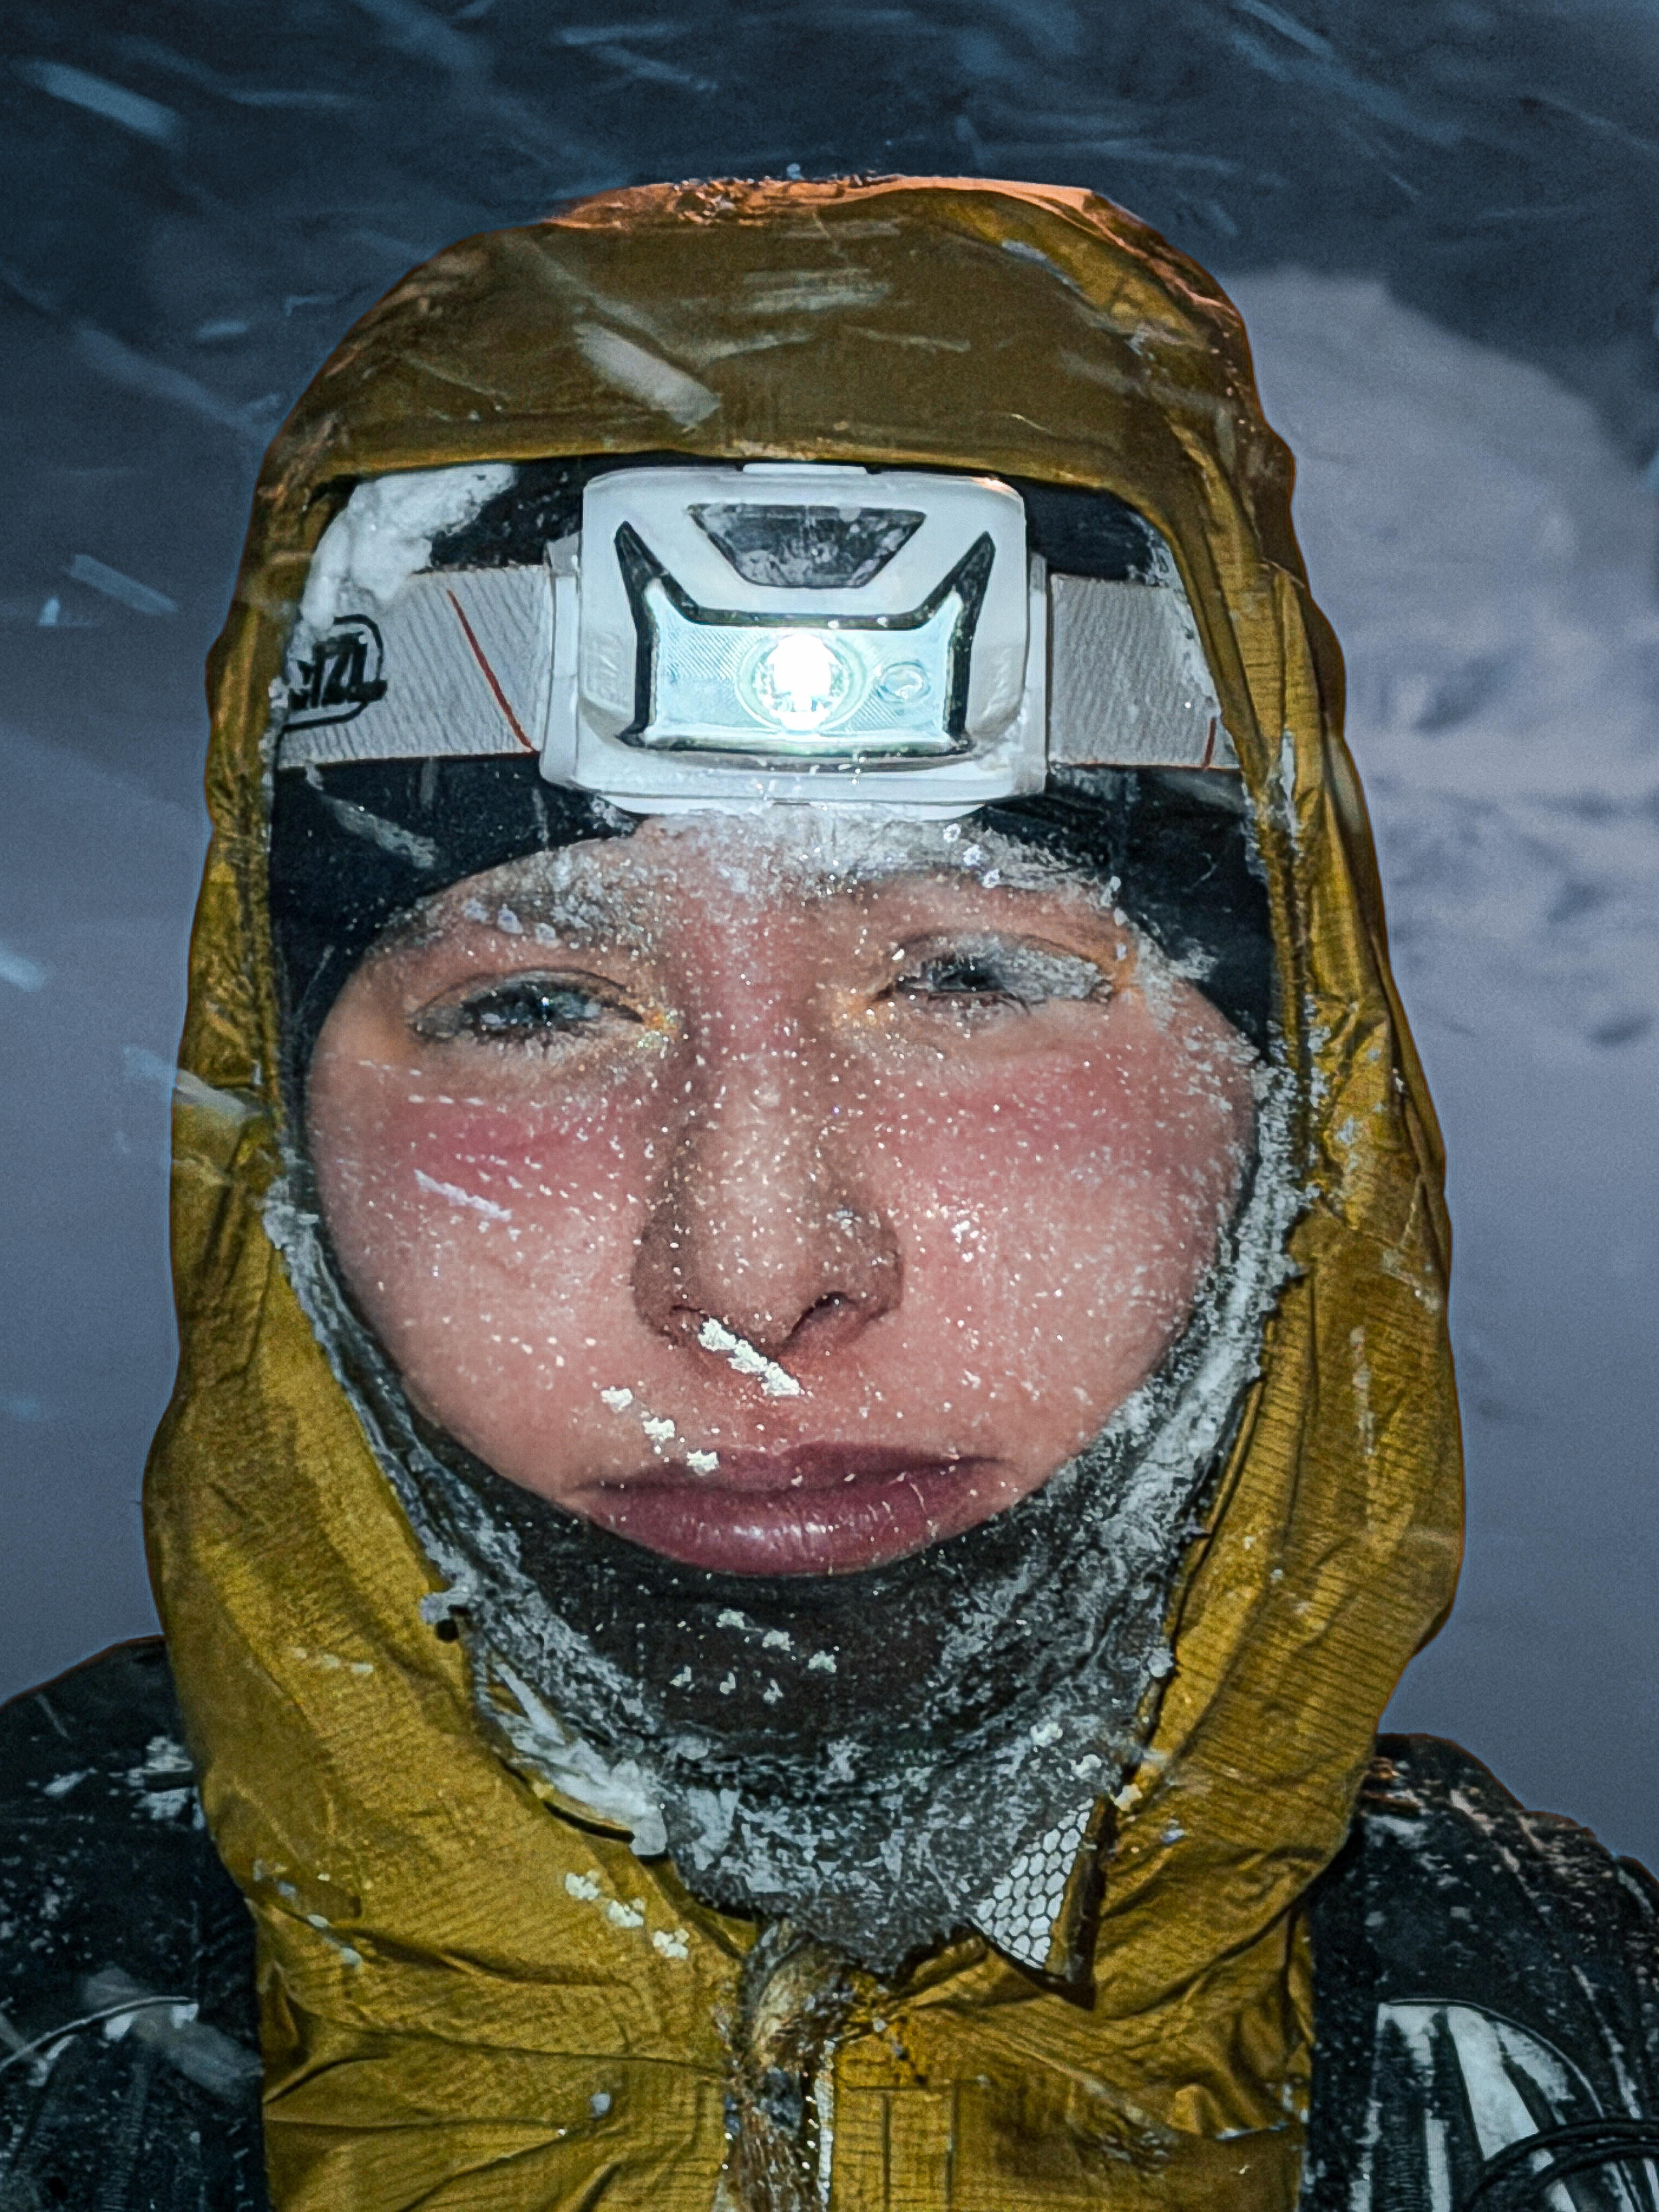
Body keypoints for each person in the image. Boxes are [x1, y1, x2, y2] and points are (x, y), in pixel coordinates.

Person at [2, 176, 1656, 2212]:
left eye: (969, 980)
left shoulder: (1594, 2086)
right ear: (282, 1139)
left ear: (1296, 1098)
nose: (757, 1273)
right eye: (532, 1005)